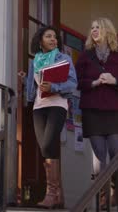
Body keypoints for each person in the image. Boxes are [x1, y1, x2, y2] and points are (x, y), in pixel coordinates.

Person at [75, 17, 118, 207]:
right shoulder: (85, 55)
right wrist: (94, 82)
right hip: (92, 110)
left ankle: (114, 187)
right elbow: (78, 81)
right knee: (99, 156)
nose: (94, 30)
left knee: (116, 152)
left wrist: (114, 81)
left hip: (115, 111)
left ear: (107, 30)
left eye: (97, 27)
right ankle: (103, 195)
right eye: (92, 27)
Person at [24, 26, 77, 209]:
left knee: (47, 145)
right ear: (40, 41)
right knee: (47, 148)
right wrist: (26, 82)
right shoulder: (35, 62)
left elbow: (72, 83)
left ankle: (51, 193)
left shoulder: (64, 59)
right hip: (39, 107)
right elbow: (33, 86)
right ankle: (58, 195)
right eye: (48, 36)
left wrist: (53, 87)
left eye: (55, 37)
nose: (53, 39)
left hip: (57, 105)